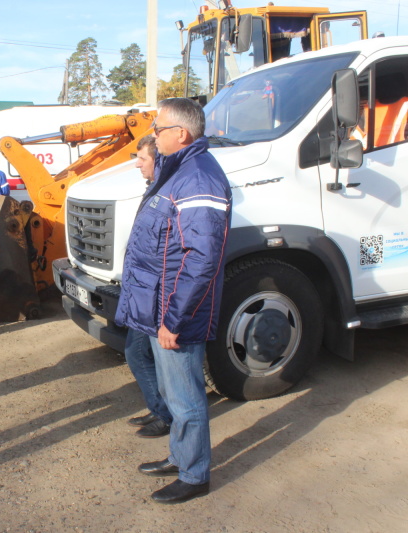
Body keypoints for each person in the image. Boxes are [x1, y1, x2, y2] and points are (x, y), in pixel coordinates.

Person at [115, 98, 232, 504]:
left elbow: (200, 260)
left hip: (173, 313)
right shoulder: (176, 170)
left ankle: (195, 474)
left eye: (159, 128)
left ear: (180, 134)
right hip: (157, 306)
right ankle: (180, 457)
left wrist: (174, 320)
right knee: (171, 389)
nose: (153, 133)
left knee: (185, 398)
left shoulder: (198, 178)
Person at [124, 135, 173, 440]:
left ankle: (165, 414)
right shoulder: (154, 189)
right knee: (136, 351)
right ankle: (159, 409)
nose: (137, 163)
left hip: (156, 292)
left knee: (139, 353)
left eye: (143, 158)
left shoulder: (166, 191)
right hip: (143, 288)